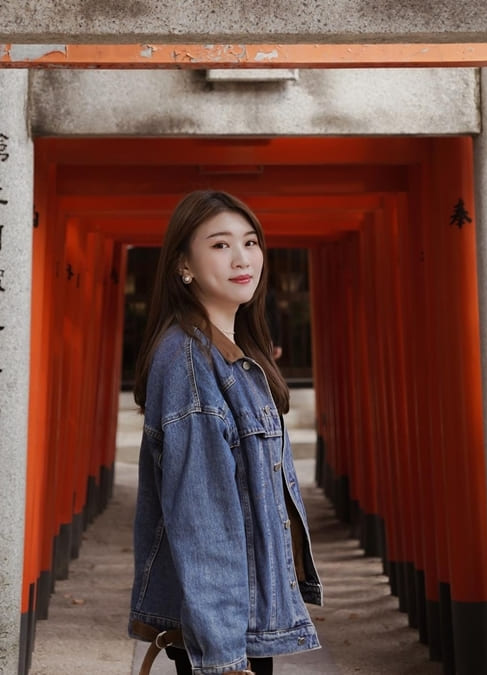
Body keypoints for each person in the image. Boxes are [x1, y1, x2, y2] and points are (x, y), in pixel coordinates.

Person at [128, 190, 322, 675]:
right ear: (183, 266)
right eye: (220, 245)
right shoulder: (191, 363)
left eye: (251, 242)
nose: (242, 258)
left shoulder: (233, 352)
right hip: (224, 631)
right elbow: (203, 521)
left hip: (245, 616)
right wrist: (223, 658)